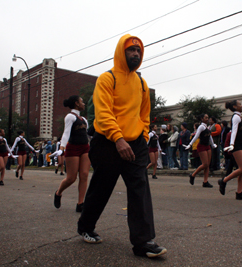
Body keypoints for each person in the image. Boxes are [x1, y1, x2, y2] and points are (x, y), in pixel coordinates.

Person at [77, 34, 166, 258]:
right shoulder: (107, 79)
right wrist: (118, 138)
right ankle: (86, 227)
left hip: (135, 145)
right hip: (108, 142)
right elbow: (104, 113)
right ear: (121, 52)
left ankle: (144, 242)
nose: (135, 54)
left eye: (138, 51)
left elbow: (144, 115)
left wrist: (143, 137)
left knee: (139, 190)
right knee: (101, 188)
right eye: (131, 50)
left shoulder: (142, 84)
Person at [54, 95, 91, 212]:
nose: (84, 103)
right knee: (71, 178)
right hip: (73, 148)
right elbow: (66, 133)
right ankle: (58, 192)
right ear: (76, 103)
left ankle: (81, 203)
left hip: (85, 148)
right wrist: (61, 148)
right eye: (82, 101)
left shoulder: (84, 119)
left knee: (84, 175)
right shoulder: (70, 117)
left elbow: (88, 135)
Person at [218, 100, 242, 201]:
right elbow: (234, 131)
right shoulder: (235, 117)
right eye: (240, 104)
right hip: (236, 146)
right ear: (235, 107)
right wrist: (231, 144)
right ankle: (223, 181)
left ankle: (239, 193)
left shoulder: (240, 118)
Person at [186, 114, 216, 188]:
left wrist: (213, 145)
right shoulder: (201, 127)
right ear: (202, 119)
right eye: (206, 118)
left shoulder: (207, 127)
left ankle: (205, 181)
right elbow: (196, 136)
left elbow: (210, 137)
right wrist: (190, 144)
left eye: (208, 117)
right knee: (205, 164)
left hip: (207, 146)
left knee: (207, 165)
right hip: (201, 146)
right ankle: (193, 175)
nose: (207, 119)